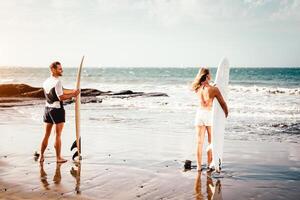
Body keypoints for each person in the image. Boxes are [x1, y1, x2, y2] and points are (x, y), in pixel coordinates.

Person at [40, 61, 80, 163]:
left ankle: (41, 156)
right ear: (53, 70)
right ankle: (58, 158)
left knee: (46, 135)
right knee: (57, 135)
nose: (61, 70)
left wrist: (73, 90)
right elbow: (61, 97)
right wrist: (73, 95)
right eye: (59, 68)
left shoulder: (46, 82)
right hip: (57, 110)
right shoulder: (57, 82)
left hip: (47, 110)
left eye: (61, 68)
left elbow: (61, 90)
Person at [191, 68, 228, 171]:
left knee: (199, 142)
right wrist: (225, 114)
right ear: (207, 75)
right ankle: (209, 164)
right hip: (209, 115)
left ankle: (198, 166)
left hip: (199, 115)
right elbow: (223, 103)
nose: (211, 76)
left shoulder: (197, 88)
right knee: (211, 142)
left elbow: (204, 86)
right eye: (209, 74)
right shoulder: (213, 89)